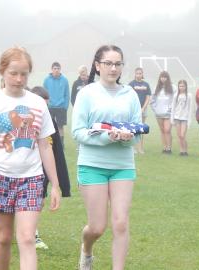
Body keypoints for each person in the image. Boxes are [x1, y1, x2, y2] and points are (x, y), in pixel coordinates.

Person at [0, 47, 61, 270]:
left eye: (24, 74)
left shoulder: (38, 104)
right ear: (2, 71)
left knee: (27, 237)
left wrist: (56, 186)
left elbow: (45, 146)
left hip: (31, 178)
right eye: (13, 73)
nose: (19, 79)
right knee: (3, 237)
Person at [72, 45, 141, 270]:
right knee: (97, 227)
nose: (113, 68)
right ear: (97, 65)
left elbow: (137, 132)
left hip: (122, 165)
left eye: (118, 64)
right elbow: (78, 132)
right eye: (108, 63)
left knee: (120, 223)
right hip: (92, 165)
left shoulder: (130, 94)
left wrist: (126, 137)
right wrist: (106, 138)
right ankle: (86, 249)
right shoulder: (86, 93)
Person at [29, 86, 71, 250]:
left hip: (43, 168)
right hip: (26, 168)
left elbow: (55, 150)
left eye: (47, 105)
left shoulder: (49, 121)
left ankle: (33, 234)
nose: (44, 109)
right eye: (42, 105)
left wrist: (60, 183)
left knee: (39, 202)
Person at [43, 62, 70, 146]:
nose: (56, 70)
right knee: (49, 126)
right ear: (52, 69)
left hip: (61, 107)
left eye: (58, 68)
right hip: (50, 107)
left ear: (60, 69)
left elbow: (67, 94)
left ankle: (61, 144)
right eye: (55, 68)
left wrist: (65, 106)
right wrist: (46, 105)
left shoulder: (64, 80)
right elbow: (44, 94)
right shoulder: (47, 80)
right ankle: (50, 143)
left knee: (60, 127)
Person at [150, 71, 174, 154]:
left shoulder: (172, 87)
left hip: (168, 114)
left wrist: (170, 108)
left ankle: (169, 148)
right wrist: (155, 109)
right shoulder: (156, 88)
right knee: (162, 130)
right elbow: (152, 100)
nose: (163, 78)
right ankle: (164, 147)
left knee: (167, 130)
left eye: (165, 77)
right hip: (158, 114)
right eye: (162, 77)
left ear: (168, 78)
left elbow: (174, 100)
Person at [129, 67, 152, 154]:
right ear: (135, 74)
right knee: (134, 128)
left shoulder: (146, 84)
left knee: (141, 129)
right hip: (133, 110)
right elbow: (129, 97)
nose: (139, 75)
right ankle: (133, 148)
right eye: (137, 73)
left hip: (143, 109)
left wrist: (143, 108)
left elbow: (148, 97)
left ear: (142, 74)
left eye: (140, 73)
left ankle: (140, 148)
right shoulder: (131, 84)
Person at [171, 80, 193, 156]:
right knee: (179, 136)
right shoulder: (175, 95)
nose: (181, 87)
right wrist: (172, 119)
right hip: (177, 118)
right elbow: (173, 107)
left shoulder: (189, 95)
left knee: (182, 135)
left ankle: (185, 150)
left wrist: (189, 121)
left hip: (184, 118)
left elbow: (190, 109)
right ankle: (181, 150)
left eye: (183, 86)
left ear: (186, 86)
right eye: (180, 86)